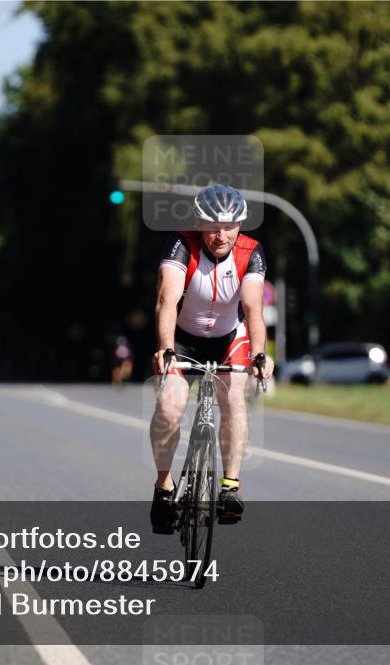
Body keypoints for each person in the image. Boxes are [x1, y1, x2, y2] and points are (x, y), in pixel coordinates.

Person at [149, 184, 274, 533]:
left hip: (229, 339)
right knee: (169, 407)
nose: (221, 235)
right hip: (183, 341)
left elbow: (253, 308)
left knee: (234, 398)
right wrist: (165, 348)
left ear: (240, 225)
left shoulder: (252, 251)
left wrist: (261, 355)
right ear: (198, 223)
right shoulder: (181, 244)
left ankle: (230, 486)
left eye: (230, 226)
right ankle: (163, 487)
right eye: (212, 226)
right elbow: (166, 300)